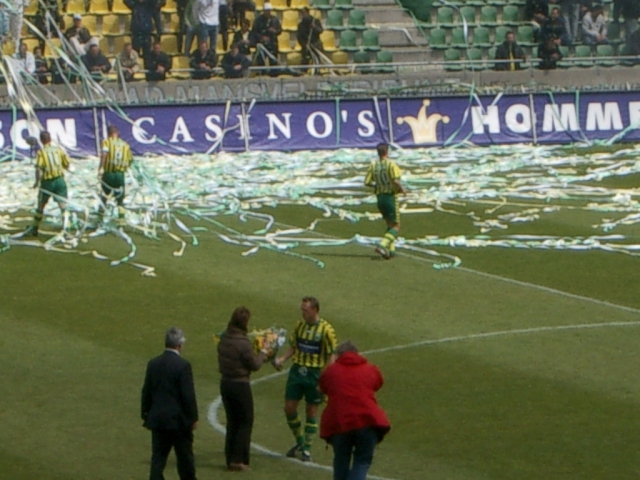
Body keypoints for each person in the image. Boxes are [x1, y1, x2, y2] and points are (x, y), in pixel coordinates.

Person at [274, 296, 338, 463]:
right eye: (302, 309)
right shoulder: (299, 326)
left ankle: (307, 450)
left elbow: (331, 354)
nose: (302, 313)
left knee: (311, 411)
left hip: (315, 374)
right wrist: (282, 359)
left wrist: (327, 377)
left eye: (306, 310)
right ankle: (301, 442)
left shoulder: (326, 330)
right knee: (289, 408)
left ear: (315, 310)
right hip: (297, 372)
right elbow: (294, 347)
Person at [319, 341, 390, 480]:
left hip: (339, 423)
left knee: (341, 461)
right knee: (362, 461)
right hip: (367, 421)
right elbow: (378, 383)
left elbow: (322, 387)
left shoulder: (331, 372)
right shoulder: (370, 369)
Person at [141, 327, 198, 480]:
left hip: (158, 420)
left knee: (158, 460)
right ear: (179, 345)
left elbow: (146, 391)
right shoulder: (183, 365)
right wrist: (193, 417)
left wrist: (145, 414)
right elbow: (188, 396)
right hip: (179, 422)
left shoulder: (153, 364)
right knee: (185, 461)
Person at [217, 307, 270, 471]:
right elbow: (254, 365)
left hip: (225, 383)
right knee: (245, 421)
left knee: (232, 421)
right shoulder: (242, 342)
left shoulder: (224, 337)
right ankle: (239, 459)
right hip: (240, 385)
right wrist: (263, 352)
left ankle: (230, 457)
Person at [364, 143, 407, 259]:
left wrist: (378, 185)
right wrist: (402, 189)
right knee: (396, 226)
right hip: (390, 197)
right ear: (387, 152)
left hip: (380, 198)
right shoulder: (391, 165)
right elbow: (395, 180)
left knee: (389, 224)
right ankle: (382, 245)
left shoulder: (373, 166)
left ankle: (392, 251)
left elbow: (367, 182)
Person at [25, 131, 70, 237]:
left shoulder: (41, 153)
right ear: (50, 139)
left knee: (41, 205)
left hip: (47, 182)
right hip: (59, 180)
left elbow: (39, 168)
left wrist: (37, 182)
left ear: (41, 140)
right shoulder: (58, 150)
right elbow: (67, 163)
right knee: (63, 205)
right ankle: (66, 229)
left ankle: (35, 228)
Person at [98, 125, 133, 226]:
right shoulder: (125, 145)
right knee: (120, 199)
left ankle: (100, 218)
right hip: (120, 174)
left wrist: (100, 168)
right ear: (117, 133)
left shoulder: (106, 142)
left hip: (109, 173)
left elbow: (104, 154)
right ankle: (121, 219)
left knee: (104, 196)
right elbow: (130, 159)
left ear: (109, 133)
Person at [251, 2, 281, 75]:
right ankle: (262, 74)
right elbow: (254, 32)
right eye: (266, 10)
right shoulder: (258, 20)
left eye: (269, 10)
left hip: (272, 43)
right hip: (262, 44)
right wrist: (261, 37)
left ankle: (274, 74)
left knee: (273, 61)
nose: (268, 12)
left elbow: (279, 30)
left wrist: (275, 31)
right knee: (261, 61)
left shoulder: (274, 19)